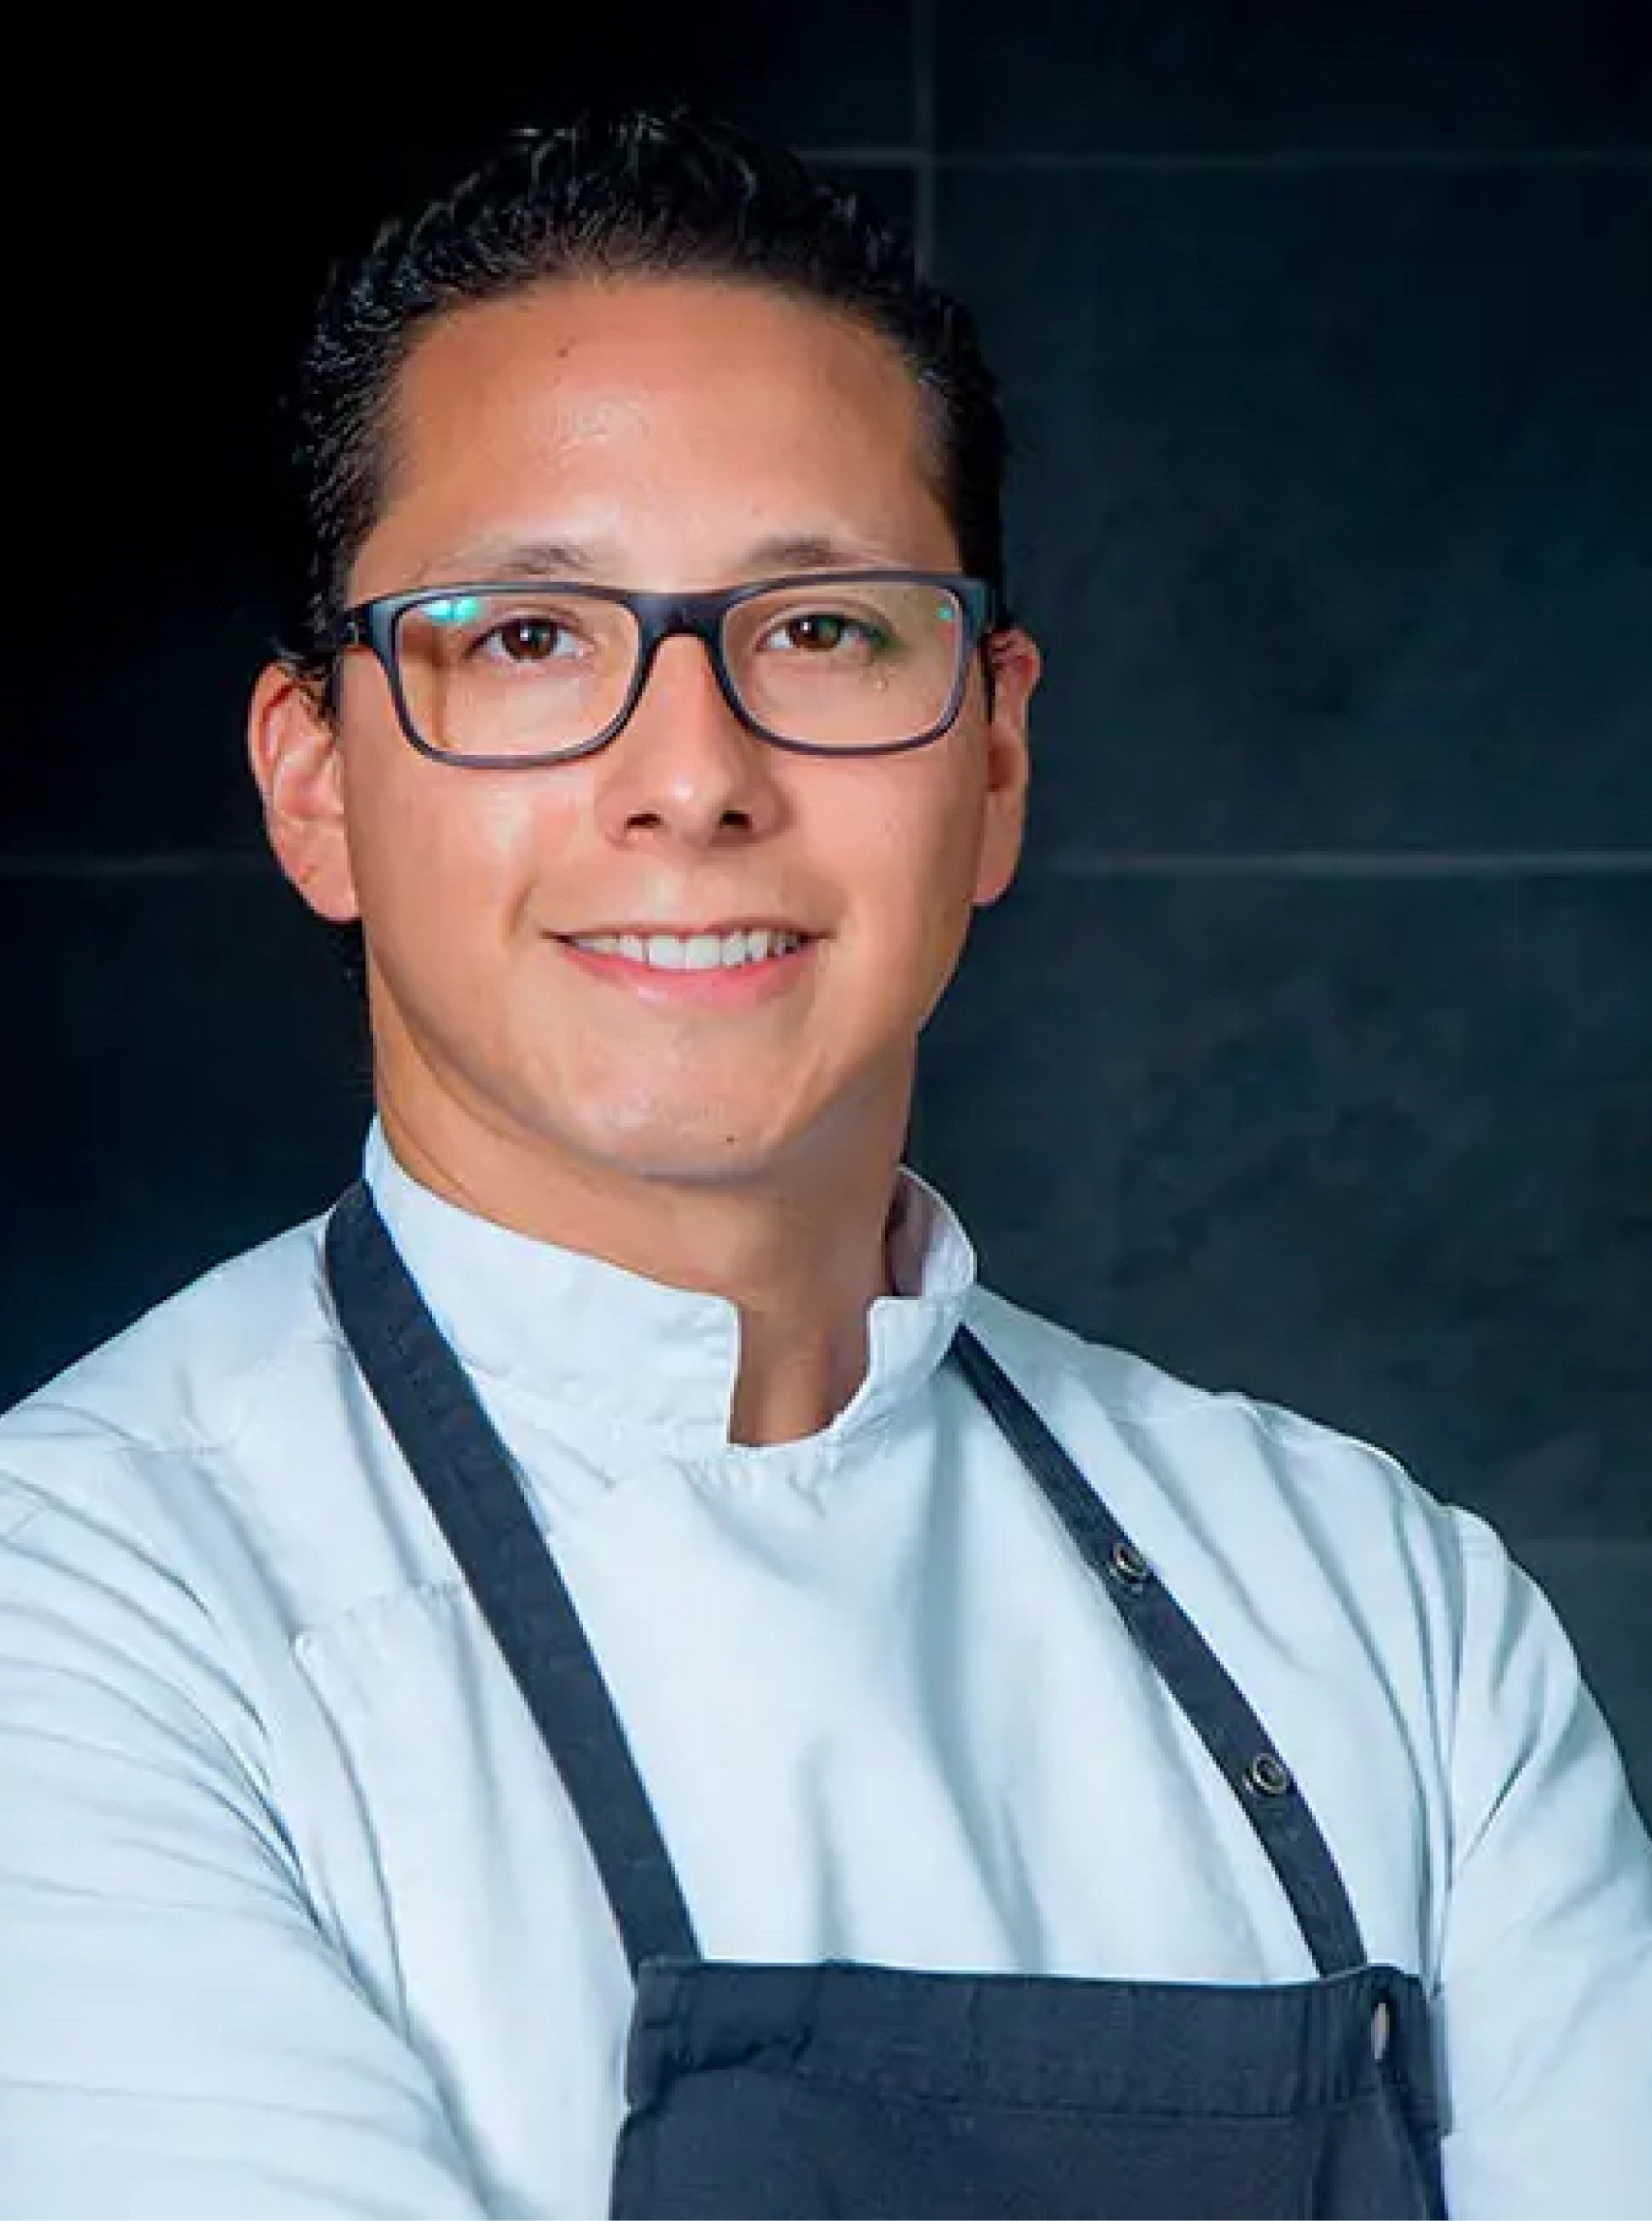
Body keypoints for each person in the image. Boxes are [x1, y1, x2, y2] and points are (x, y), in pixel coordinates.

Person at [1, 106, 1648, 2221]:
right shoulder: (93, 1612)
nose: (690, 778)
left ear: (996, 758)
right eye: (527, 639)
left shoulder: (1391, 1616)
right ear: (314, 783)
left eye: (826, 632)